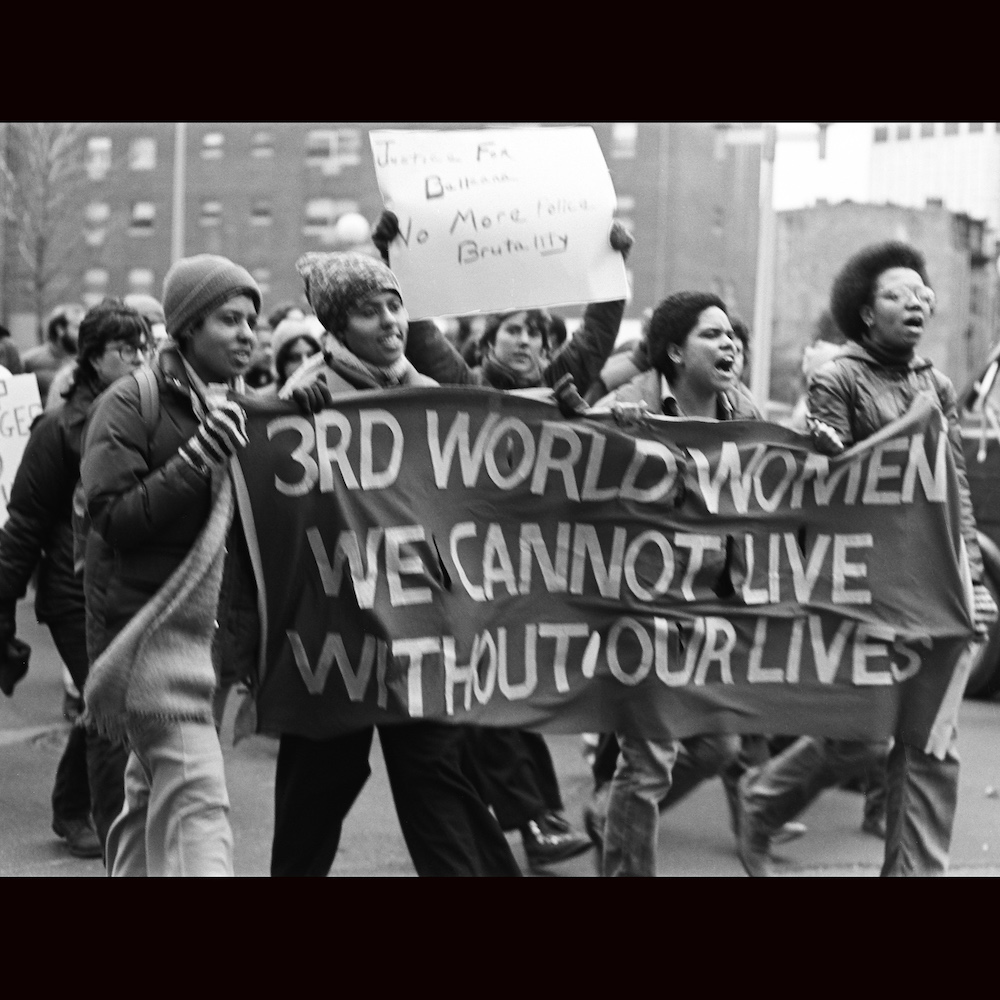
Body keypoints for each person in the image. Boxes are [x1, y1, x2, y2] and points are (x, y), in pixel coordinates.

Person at [736, 240, 998, 877]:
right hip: (861, 586)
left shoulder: (936, 385)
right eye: (896, 294)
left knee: (931, 738)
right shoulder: (838, 379)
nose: (915, 303)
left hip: (928, 583)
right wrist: (827, 451)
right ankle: (763, 804)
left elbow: (954, 490)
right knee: (863, 737)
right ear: (864, 312)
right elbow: (826, 485)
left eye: (921, 293)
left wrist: (972, 575)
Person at [381, 214, 631, 869]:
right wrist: (393, 254)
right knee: (484, 697)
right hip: (467, 573)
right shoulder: (465, 384)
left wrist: (611, 268)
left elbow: (597, 333)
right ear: (489, 341)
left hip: (536, 574)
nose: (527, 340)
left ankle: (521, 822)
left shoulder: (561, 384)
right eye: (515, 329)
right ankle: (533, 821)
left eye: (538, 333)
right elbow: (418, 333)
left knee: (509, 698)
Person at [271, 249, 522, 877]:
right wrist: (292, 425)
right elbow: (280, 513)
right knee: (314, 795)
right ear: (336, 325)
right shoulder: (303, 399)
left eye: (395, 305)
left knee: (437, 780)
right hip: (339, 640)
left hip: (419, 632)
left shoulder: (430, 398)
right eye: (368, 310)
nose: (389, 321)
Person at [80, 254, 265, 877]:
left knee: (146, 798)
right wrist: (196, 459)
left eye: (251, 321)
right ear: (187, 327)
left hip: (204, 645)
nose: (246, 334)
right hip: (148, 638)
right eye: (229, 320)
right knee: (198, 800)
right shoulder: (131, 403)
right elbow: (113, 519)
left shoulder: (243, 407)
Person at [589, 290, 756, 877]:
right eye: (712, 334)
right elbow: (565, 446)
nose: (729, 343)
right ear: (676, 353)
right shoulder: (628, 403)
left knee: (718, 746)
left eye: (731, 335)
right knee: (651, 759)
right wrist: (614, 436)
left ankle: (611, 810)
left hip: (709, 608)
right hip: (641, 603)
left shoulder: (743, 411)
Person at [0, 299, 152, 858]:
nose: (140, 359)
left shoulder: (145, 415)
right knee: (110, 703)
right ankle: (111, 830)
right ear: (91, 356)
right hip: (71, 591)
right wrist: (2, 603)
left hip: (127, 583)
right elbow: (25, 523)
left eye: (145, 347)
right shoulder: (59, 428)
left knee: (106, 700)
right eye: (125, 350)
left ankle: (71, 806)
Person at [22, 304, 85, 402]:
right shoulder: (29, 361)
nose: (82, 335)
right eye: (77, 328)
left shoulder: (86, 362)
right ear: (60, 329)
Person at [271, 315, 324, 389]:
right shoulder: (265, 396)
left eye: (311, 355)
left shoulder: (335, 391)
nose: (305, 363)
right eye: (295, 358)